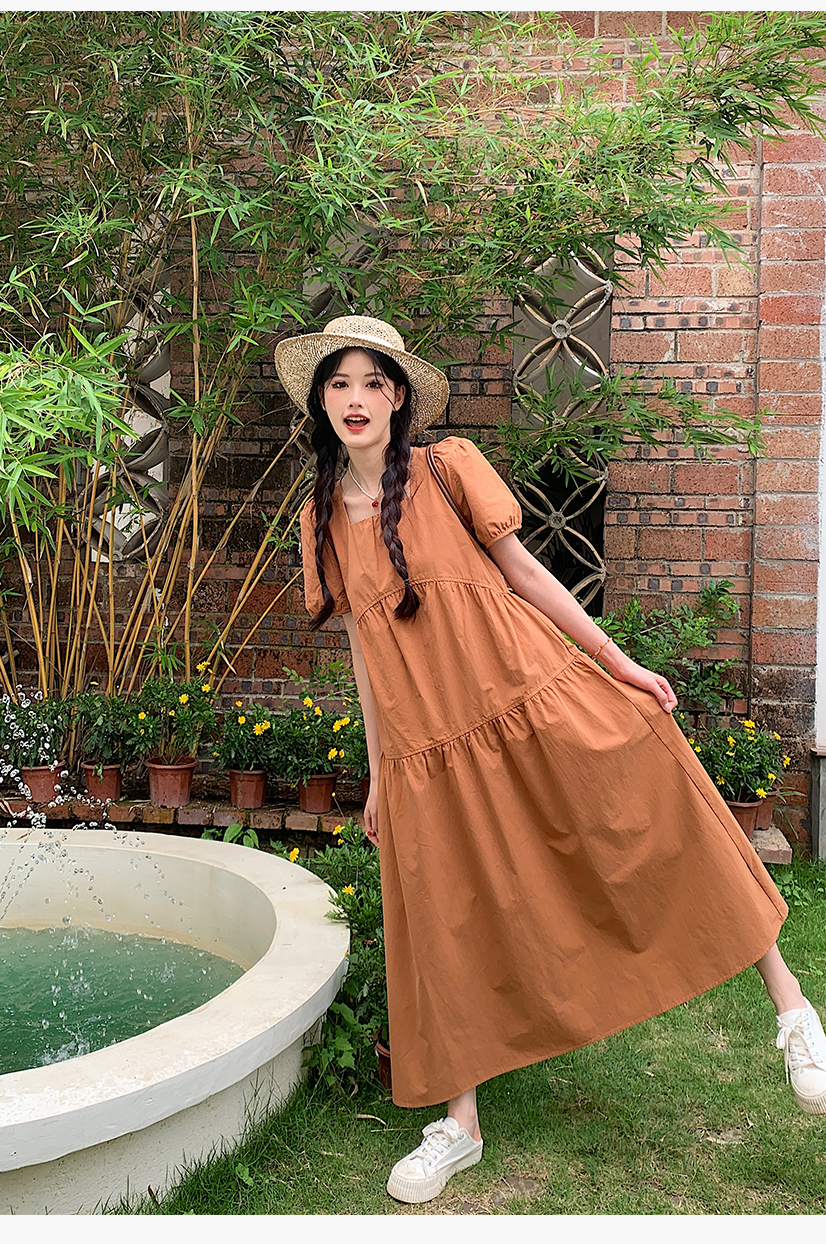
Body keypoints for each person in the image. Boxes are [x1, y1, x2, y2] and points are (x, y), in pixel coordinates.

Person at [274, 314, 826, 1205]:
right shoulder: (318, 520)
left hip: (526, 696)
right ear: (320, 401)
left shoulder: (448, 468)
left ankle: (792, 1009)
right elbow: (365, 656)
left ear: (399, 396)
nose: (355, 399)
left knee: (644, 813)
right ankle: (459, 1126)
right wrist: (380, 770)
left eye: (372, 381)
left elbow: (526, 574)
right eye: (339, 384)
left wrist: (617, 663)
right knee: (443, 915)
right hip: (426, 745)